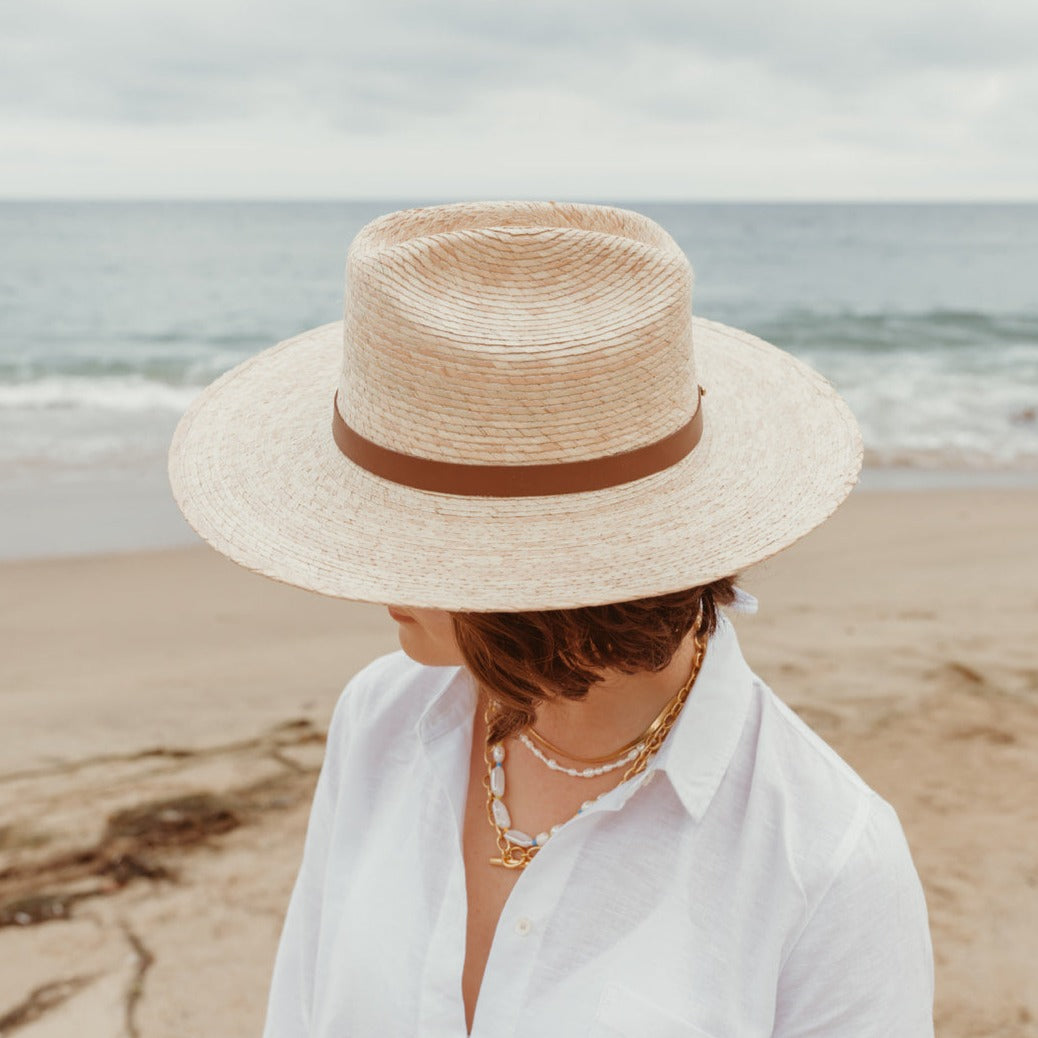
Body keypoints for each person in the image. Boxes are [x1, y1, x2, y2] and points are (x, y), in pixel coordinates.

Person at [168, 200, 934, 1036]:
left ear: (541, 584)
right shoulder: (379, 719)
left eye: (405, 534)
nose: (364, 581)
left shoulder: (826, 861)